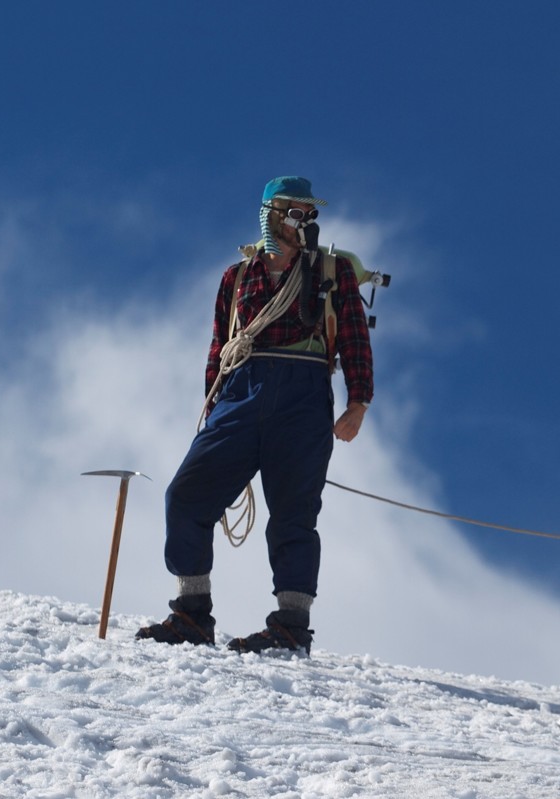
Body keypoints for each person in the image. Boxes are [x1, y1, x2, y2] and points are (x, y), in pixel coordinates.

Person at [137, 176, 373, 656]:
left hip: (304, 395)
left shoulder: (331, 272)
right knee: (186, 495)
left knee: (293, 514)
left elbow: (352, 337)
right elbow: (220, 344)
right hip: (241, 391)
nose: (303, 221)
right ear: (270, 213)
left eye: (308, 214)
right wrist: (214, 404)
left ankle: (290, 626)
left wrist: (358, 401)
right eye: (294, 211)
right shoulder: (237, 276)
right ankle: (191, 613)